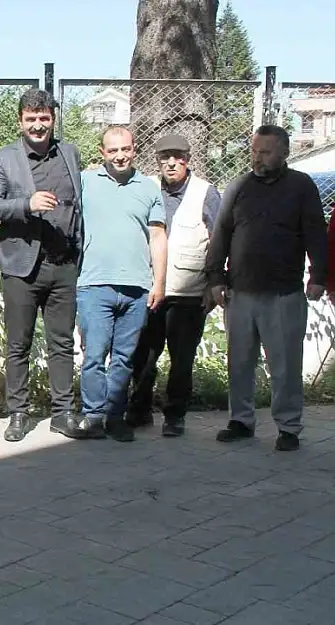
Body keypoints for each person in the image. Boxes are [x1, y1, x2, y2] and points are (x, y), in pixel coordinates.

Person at [205, 125, 327, 452]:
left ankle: (288, 427)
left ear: (285, 152)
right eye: (255, 151)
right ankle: (241, 421)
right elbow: (221, 234)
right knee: (240, 361)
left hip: (284, 293)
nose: (258, 158)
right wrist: (216, 277)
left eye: (266, 152)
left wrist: (318, 275)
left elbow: (316, 232)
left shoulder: (301, 187)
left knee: (285, 364)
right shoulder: (239, 186)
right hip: (240, 292)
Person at [0, 88, 86, 442]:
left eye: (44, 118)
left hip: (63, 265)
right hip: (22, 267)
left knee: (62, 342)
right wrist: (26, 203)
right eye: (31, 119)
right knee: (18, 344)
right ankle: (19, 414)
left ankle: (62, 413)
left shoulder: (69, 153)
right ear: (20, 121)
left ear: (53, 119)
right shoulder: (4, 158)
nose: (38, 125)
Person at [76, 127, 167, 442]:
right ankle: (93, 416)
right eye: (112, 150)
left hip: (137, 287)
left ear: (134, 149)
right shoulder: (85, 183)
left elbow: (157, 237)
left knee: (125, 359)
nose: (119, 156)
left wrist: (159, 282)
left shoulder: (149, 188)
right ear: (102, 152)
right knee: (94, 356)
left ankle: (115, 416)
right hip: (93, 284)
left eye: (125, 149)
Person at [128, 134, 222, 437]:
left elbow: (219, 241)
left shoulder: (206, 192)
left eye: (177, 156)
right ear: (157, 160)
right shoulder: (145, 188)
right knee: (142, 356)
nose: (171, 162)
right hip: (150, 290)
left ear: (187, 159)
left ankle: (175, 416)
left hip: (190, 292)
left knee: (182, 360)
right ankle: (140, 410)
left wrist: (214, 283)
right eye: (164, 157)